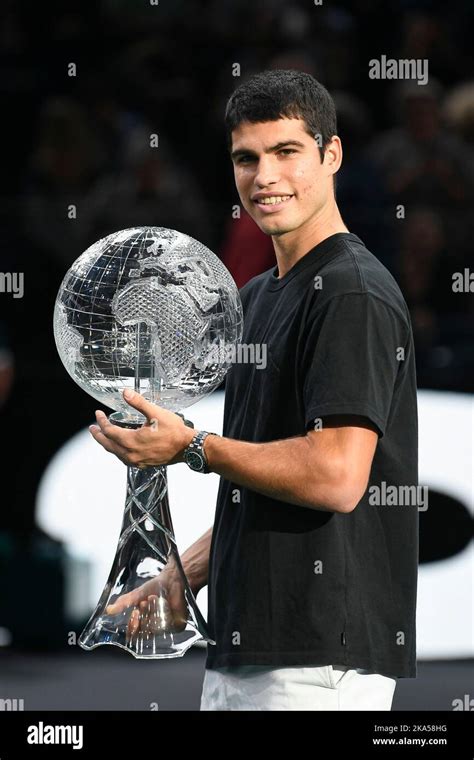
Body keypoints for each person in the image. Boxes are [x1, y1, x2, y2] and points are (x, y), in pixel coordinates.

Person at [89, 70, 419, 711]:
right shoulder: (256, 297)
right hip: (254, 649)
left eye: (286, 152)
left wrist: (191, 447)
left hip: (319, 659)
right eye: (247, 157)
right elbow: (260, 482)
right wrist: (180, 578)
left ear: (332, 155)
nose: (264, 175)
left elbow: (334, 475)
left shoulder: (351, 293)